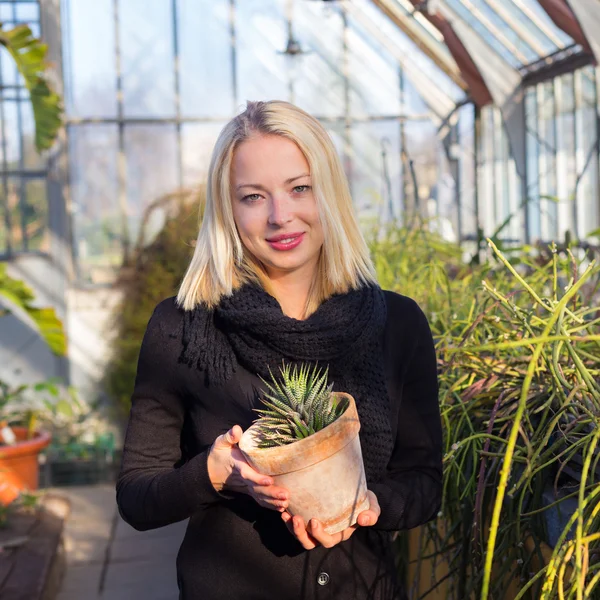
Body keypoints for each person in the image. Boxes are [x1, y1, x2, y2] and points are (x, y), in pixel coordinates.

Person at [116, 100, 443, 600]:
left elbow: (423, 482)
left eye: (299, 188)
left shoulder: (397, 324)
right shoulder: (183, 327)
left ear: (328, 193)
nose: (279, 216)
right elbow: (137, 496)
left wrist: (370, 501)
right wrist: (214, 473)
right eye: (252, 196)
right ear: (227, 209)